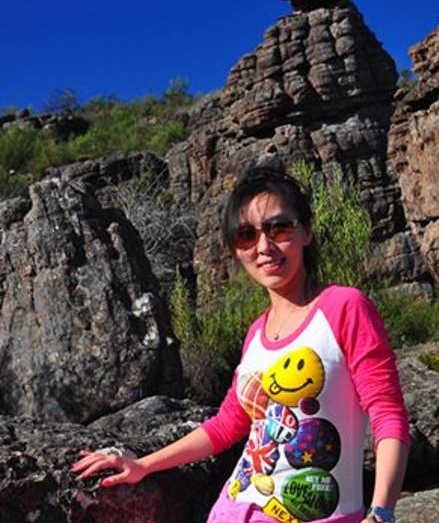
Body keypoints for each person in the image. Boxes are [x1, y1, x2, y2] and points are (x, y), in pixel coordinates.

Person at [72, 166, 410, 523]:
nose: (264, 247)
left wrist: (381, 513)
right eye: (247, 235)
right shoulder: (256, 334)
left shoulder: (344, 307)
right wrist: (143, 464)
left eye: (279, 228)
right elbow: (226, 425)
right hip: (232, 511)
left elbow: (388, 413)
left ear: (306, 231)